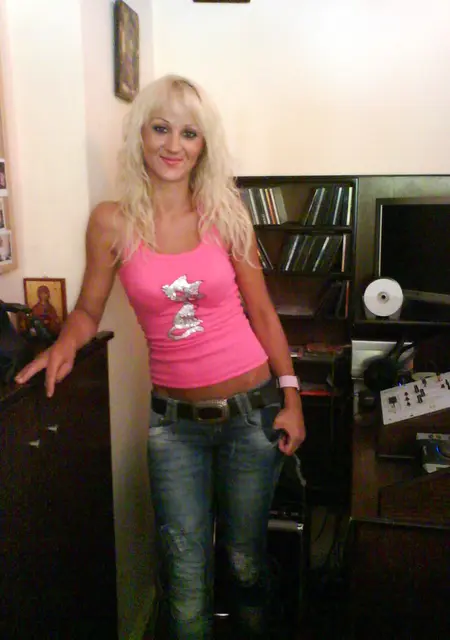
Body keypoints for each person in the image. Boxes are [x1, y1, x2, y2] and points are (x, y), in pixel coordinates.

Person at [15, 74, 306, 639]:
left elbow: (263, 312)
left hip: (252, 415)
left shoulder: (226, 214)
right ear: (140, 137)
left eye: (189, 133)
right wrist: (64, 344)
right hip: (174, 429)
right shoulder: (111, 222)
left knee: (245, 564)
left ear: (203, 145)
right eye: (161, 129)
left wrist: (291, 398)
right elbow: (87, 310)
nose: (174, 145)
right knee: (185, 581)